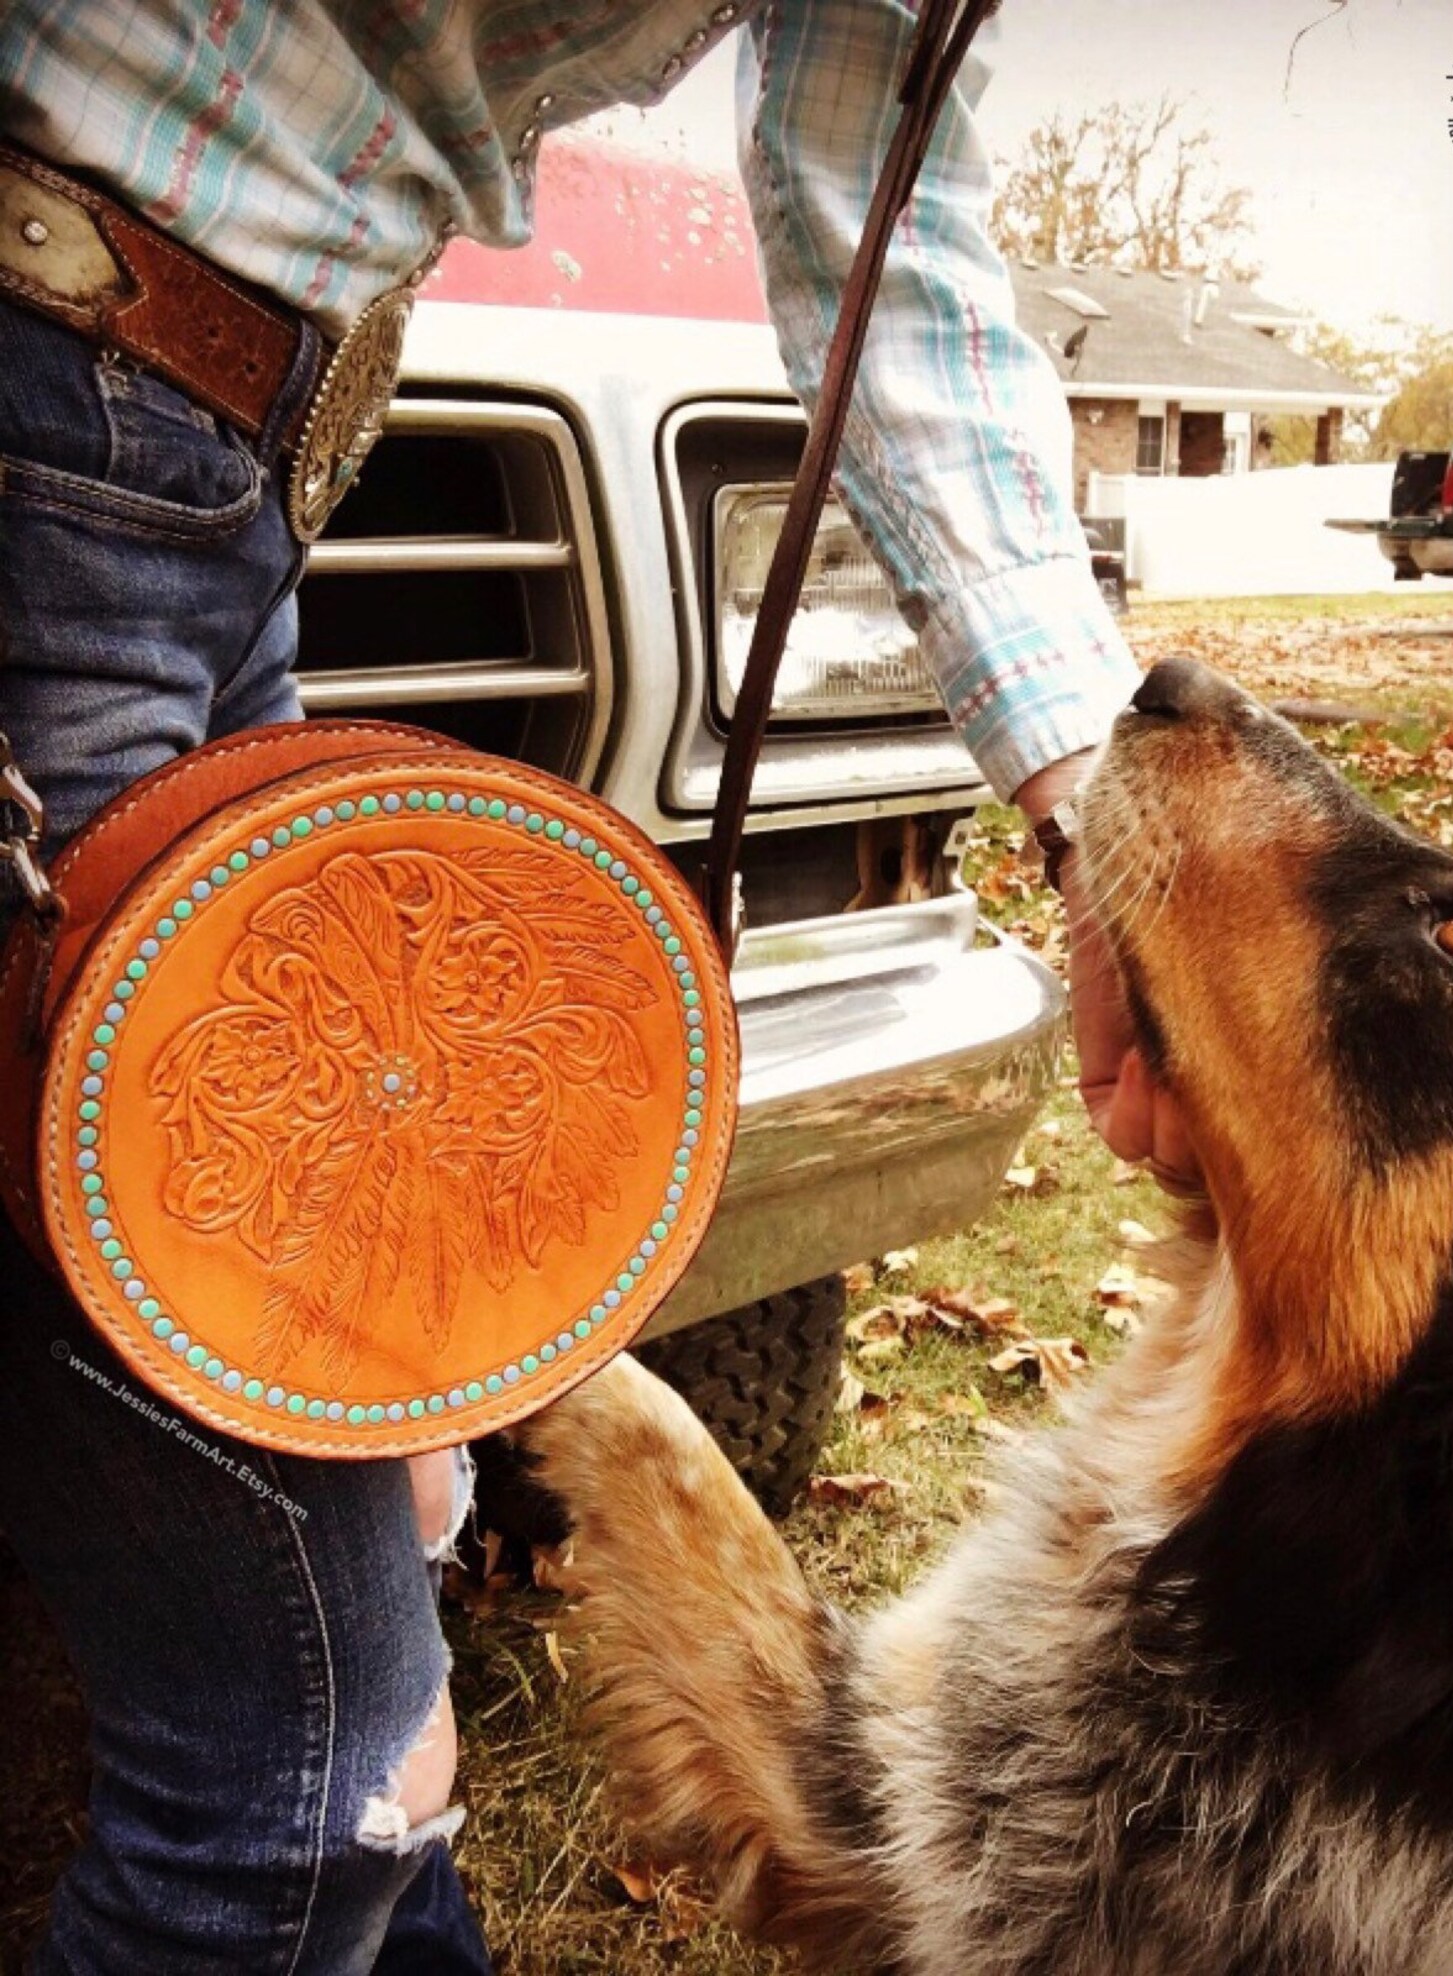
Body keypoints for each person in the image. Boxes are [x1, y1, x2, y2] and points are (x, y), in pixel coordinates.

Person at [0, 2, 1188, 1968]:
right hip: (59, 423)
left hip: (228, 484)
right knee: (307, 1778)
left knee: (387, 1527)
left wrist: (1105, 820)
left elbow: (876, 210)